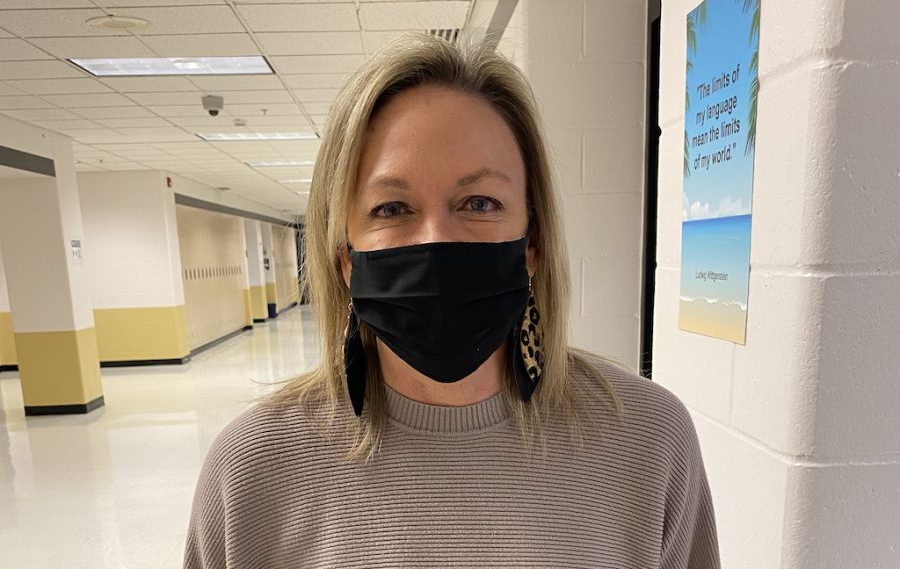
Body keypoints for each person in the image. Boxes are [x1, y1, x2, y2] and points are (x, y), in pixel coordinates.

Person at [184, 34, 720, 569]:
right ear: (345, 257)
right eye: (392, 208)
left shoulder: (649, 442)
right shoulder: (253, 469)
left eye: (480, 202)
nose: (435, 241)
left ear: (532, 243)